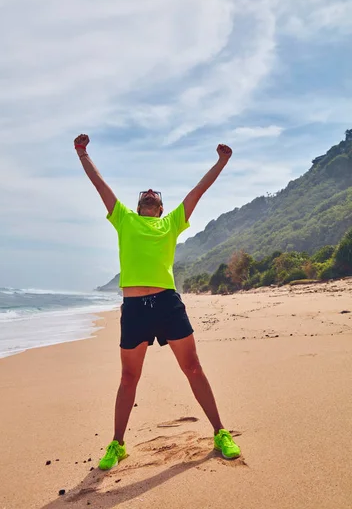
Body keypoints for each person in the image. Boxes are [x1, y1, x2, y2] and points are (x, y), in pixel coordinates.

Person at [74, 134, 241, 470]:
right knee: (128, 378)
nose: (149, 194)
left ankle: (220, 432)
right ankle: (117, 444)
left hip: (167, 303)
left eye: (154, 195)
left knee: (192, 367)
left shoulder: (170, 222)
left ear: (161, 208)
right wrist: (83, 153)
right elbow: (99, 183)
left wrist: (221, 162)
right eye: (145, 195)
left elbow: (197, 192)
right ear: (138, 207)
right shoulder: (123, 219)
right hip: (134, 309)